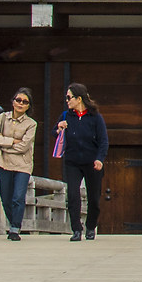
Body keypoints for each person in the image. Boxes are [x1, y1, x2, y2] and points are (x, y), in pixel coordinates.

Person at [55, 83, 108, 240]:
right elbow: (55, 134)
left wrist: (100, 159)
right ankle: (76, 229)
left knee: (93, 198)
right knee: (72, 195)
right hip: (72, 162)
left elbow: (103, 141)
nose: (67, 100)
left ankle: (91, 226)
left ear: (79, 99)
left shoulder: (95, 118)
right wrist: (58, 128)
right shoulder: (66, 116)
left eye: (69, 97)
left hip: (91, 162)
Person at [0, 90, 38, 240]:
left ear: (28, 106)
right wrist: (12, 141)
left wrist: (3, 143)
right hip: (4, 163)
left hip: (23, 165)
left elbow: (24, 146)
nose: (20, 103)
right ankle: (12, 222)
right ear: (13, 101)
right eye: (18, 100)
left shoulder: (31, 124)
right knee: (6, 197)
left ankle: (15, 228)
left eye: (25, 102)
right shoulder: (2, 118)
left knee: (18, 197)